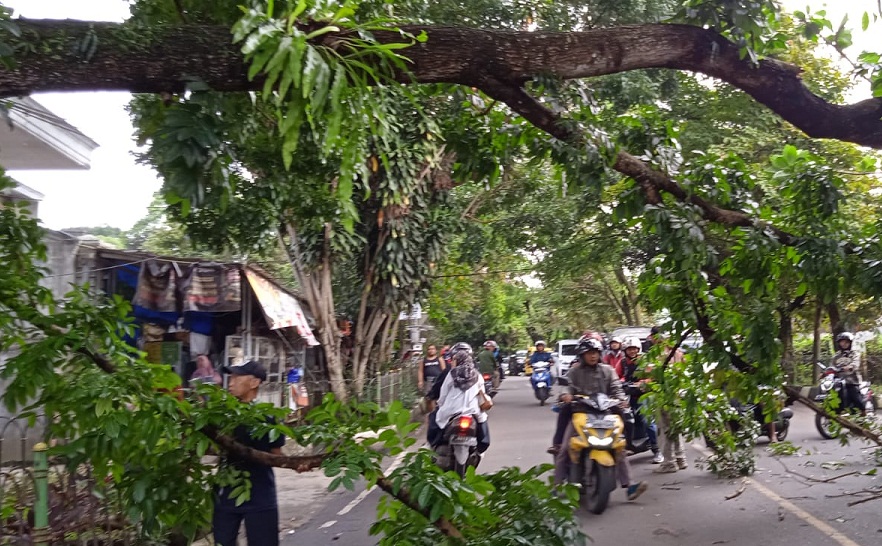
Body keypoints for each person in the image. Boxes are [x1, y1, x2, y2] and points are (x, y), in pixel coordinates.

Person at [550, 339, 647, 501]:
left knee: (619, 448)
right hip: (580, 413)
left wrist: (621, 400)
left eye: (595, 353)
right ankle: (556, 486)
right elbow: (566, 386)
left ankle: (630, 486)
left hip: (605, 414)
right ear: (582, 355)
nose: (593, 356)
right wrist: (565, 395)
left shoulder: (608, 371)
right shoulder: (574, 372)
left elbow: (617, 388)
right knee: (565, 449)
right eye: (589, 353)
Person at [213, 361, 286, 546]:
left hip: (260, 495)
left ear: (254, 383)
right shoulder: (222, 416)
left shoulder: (268, 419)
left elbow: (277, 456)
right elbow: (212, 449)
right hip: (227, 494)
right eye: (231, 378)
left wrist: (298, 463)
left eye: (237, 378)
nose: (231, 382)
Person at [428, 343, 491, 454]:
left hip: (451, 410)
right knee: (483, 419)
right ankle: (482, 446)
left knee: (434, 417)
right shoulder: (477, 374)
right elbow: (483, 393)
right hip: (473, 411)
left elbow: (443, 394)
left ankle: (433, 443)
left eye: (454, 360)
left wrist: (440, 404)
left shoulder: (451, 374)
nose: (452, 362)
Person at [647, 328, 688, 474]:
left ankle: (669, 463)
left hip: (664, 395)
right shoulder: (677, 352)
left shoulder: (657, 354)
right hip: (677, 395)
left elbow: (650, 374)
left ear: (654, 337)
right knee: (675, 428)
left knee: (664, 429)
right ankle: (680, 458)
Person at [620, 337, 662, 463]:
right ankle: (627, 446)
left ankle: (657, 449)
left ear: (638, 349)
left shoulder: (645, 361)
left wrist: (641, 383)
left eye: (634, 349)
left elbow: (652, 376)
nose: (632, 351)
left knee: (647, 421)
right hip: (629, 396)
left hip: (644, 397)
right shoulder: (623, 362)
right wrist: (621, 382)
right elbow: (617, 375)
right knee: (621, 419)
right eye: (629, 349)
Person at [831, 332, 864, 414]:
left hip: (852, 381)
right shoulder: (837, 355)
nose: (844, 344)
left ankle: (864, 413)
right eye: (842, 342)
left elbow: (856, 364)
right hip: (838, 381)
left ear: (850, 343)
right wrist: (824, 373)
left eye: (846, 342)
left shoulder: (854, 354)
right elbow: (831, 366)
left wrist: (849, 367)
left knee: (856, 398)